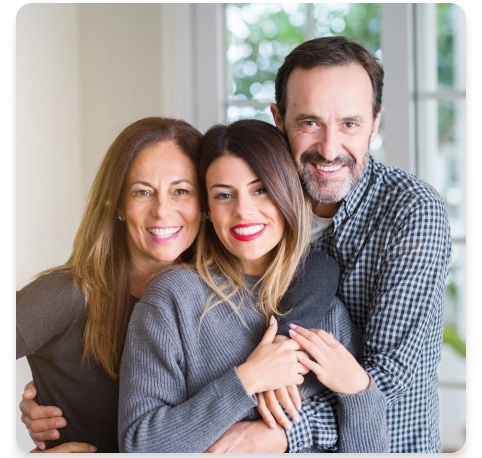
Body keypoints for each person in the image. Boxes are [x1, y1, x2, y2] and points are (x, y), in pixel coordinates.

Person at [207, 37, 452, 453]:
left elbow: (384, 382)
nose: (329, 148)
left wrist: (276, 434)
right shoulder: (253, 205)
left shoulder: (412, 211)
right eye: (310, 123)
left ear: (375, 123)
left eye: (350, 124)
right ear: (278, 119)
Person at [118, 119, 388, 453]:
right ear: (208, 211)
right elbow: (139, 445)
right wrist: (247, 380)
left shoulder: (328, 312)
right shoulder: (174, 298)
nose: (242, 210)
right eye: (224, 195)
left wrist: (359, 392)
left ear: (286, 193)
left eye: (260, 189)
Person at [16, 117, 202, 453]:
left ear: (203, 204)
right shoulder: (69, 293)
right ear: (117, 204)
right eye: (143, 192)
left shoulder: (219, 298)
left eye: (181, 190)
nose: (162, 210)